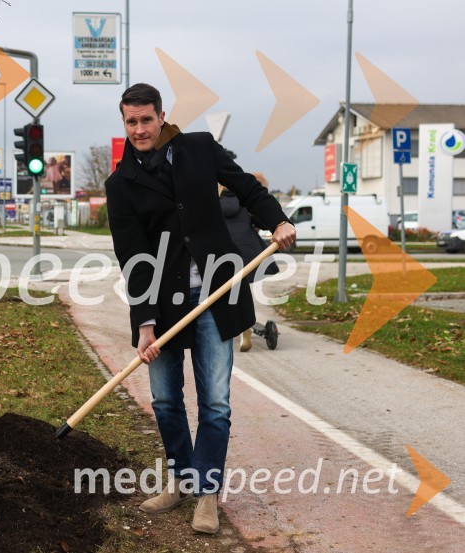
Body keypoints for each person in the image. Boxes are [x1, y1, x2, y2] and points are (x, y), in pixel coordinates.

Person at [105, 83, 295, 534]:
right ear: (124, 122)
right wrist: (144, 325)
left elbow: (247, 188)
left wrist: (278, 221)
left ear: (161, 115)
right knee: (166, 400)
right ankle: (180, 480)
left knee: (215, 401)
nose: (139, 129)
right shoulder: (120, 184)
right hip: (162, 302)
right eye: (130, 122)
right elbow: (132, 257)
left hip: (218, 291)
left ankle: (206, 494)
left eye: (146, 119)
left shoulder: (199, 148)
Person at [218, 176, 280, 352]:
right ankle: (245, 327)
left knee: (226, 292)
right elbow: (262, 222)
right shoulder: (245, 203)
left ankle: (235, 327)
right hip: (248, 255)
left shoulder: (214, 203)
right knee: (243, 290)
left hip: (224, 256)